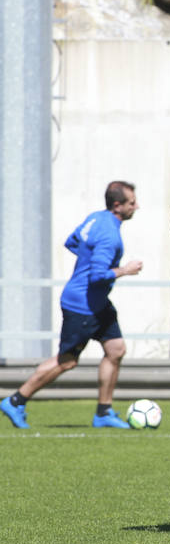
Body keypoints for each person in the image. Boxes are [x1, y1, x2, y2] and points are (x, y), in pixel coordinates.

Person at [1, 181, 142, 430]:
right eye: (132, 203)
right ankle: (15, 400)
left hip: (97, 304)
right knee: (67, 361)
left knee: (116, 350)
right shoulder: (109, 236)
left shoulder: (96, 218)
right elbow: (98, 275)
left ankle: (104, 413)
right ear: (118, 205)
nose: (136, 206)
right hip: (83, 306)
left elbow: (71, 242)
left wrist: (88, 260)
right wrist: (126, 270)